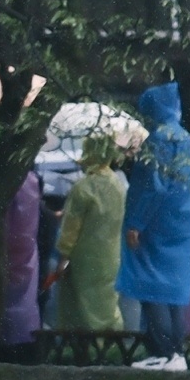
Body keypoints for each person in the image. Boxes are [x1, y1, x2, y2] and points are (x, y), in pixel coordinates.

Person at [115, 83, 190, 369]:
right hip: (183, 223)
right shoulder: (187, 139)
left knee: (152, 285)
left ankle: (161, 351)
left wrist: (136, 222)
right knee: (173, 292)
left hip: (158, 223)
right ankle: (176, 353)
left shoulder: (159, 139)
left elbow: (152, 186)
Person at [48, 122, 132, 338]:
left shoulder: (83, 188)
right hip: (112, 256)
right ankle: (109, 345)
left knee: (80, 307)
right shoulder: (119, 186)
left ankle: (81, 348)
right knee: (107, 305)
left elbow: (71, 228)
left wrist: (63, 257)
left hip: (84, 259)